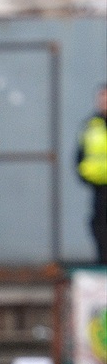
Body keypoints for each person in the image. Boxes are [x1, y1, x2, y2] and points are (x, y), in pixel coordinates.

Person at [76, 84, 107, 265]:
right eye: (101, 98)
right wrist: (85, 175)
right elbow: (81, 155)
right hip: (99, 187)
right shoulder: (91, 126)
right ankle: (103, 263)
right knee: (99, 225)